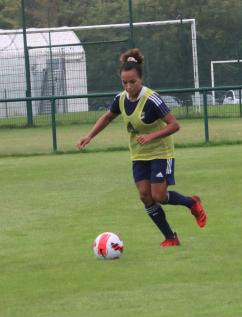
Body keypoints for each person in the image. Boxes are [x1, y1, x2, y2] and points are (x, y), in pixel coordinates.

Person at [77, 48, 207, 247]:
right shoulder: (120, 99)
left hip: (161, 153)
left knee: (159, 196)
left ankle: (192, 203)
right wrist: (89, 135)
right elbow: (107, 117)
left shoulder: (152, 99)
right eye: (124, 82)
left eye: (132, 82)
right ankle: (170, 237)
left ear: (141, 79)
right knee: (145, 196)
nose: (128, 86)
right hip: (139, 155)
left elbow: (175, 125)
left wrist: (151, 136)